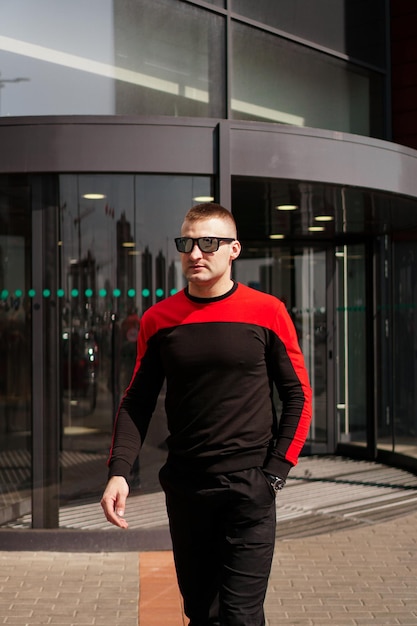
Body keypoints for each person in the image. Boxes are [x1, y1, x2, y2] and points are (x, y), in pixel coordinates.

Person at [101, 202, 312, 626]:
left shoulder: (267, 311)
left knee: (241, 616)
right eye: (187, 243)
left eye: (208, 243)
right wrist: (120, 470)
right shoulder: (158, 320)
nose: (195, 253)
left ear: (234, 249)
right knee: (202, 613)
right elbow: (136, 401)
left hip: (249, 488)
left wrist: (274, 472)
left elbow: (299, 396)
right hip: (187, 488)